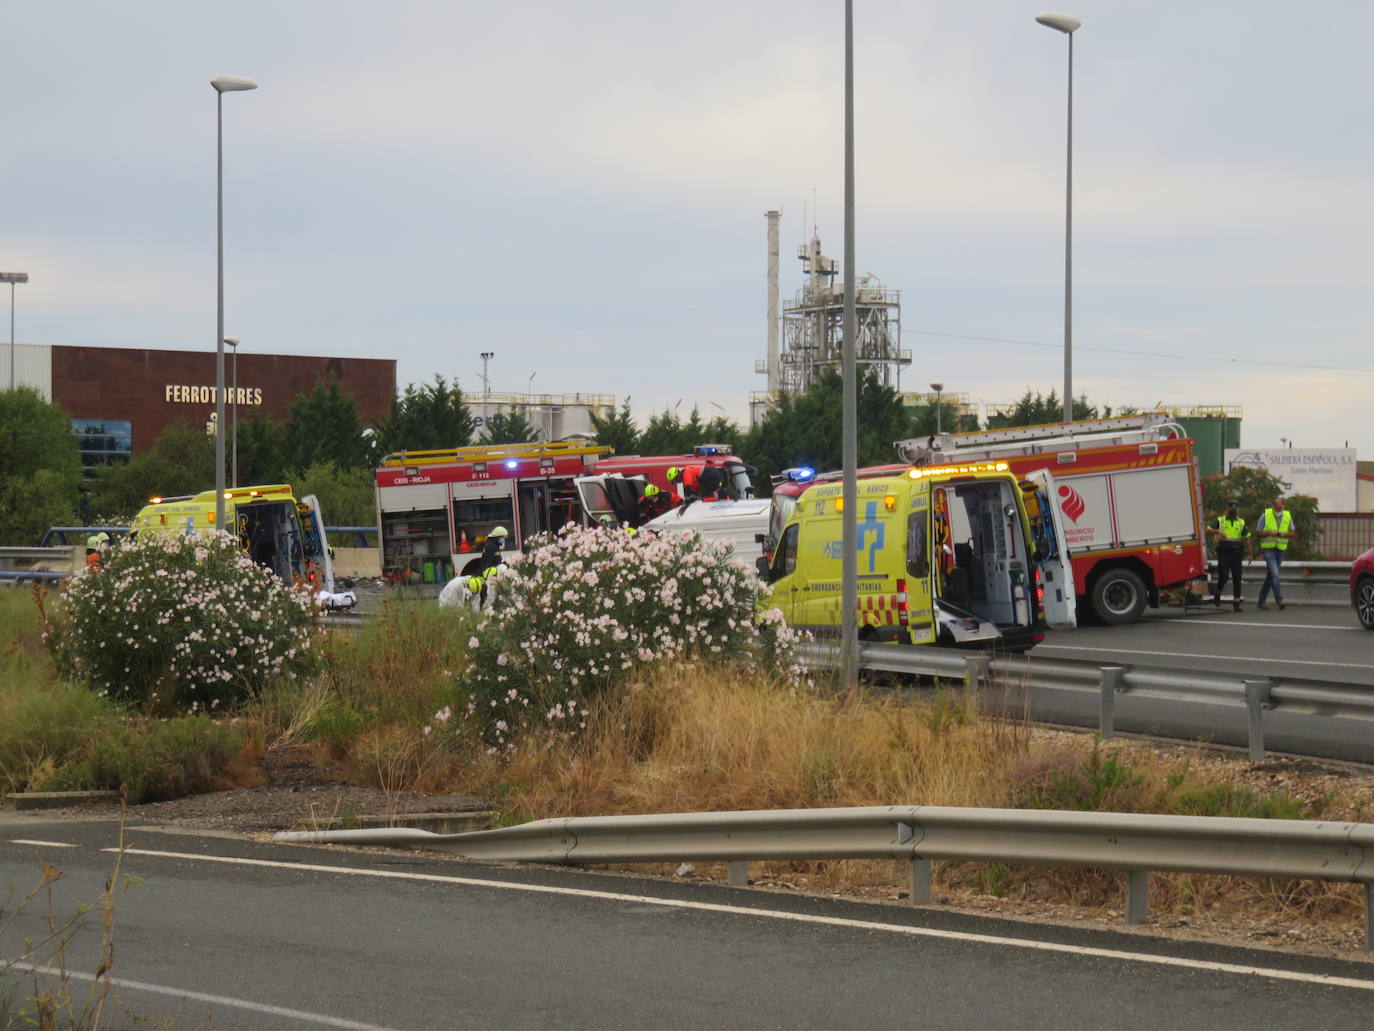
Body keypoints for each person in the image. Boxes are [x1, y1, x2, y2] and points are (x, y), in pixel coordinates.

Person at [1205, 498, 1249, 611]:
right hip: (1224, 553)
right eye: (1231, 507)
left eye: (1235, 507)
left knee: (1237, 578)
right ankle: (1217, 595)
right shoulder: (1220, 520)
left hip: (1237, 553)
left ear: (1237, 509)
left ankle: (1236, 604)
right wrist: (1217, 531)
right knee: (1223, 576)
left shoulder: (1241, 522)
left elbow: (1247, 538)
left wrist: (1249, 552)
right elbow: (1208, 531)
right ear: (1228, 508)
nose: (1233, 509)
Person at [1255, 495, 1296, 610]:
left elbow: (1293, 533)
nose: (1278, 508)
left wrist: (1283, 534)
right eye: (1276, 506)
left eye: (1280, 505)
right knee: (1275, 574)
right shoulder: (1265, 515)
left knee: (1271, 576)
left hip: (1280, 549)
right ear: (1274, 505)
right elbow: (1258, 532)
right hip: (1268, 549)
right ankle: (1279, 599)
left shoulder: (1287, 515)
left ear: (1283, 505)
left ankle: (1261, 601)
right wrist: (1268, 532)